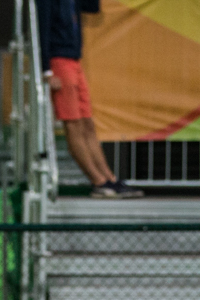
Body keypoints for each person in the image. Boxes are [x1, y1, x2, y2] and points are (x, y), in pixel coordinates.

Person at [36, 0, 142, 198]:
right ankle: (98, 181)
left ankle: (109, 178)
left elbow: (92, 7)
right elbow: (40, 30)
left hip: (74, 59)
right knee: (74, 123)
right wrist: (46, 70)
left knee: (87, 123)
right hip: (59, 61)